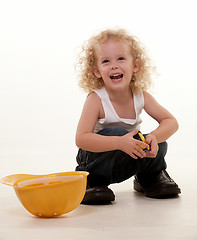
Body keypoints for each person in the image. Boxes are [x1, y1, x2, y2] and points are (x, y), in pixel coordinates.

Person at [75, 28, 181, 204]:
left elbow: (171, 122)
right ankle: (92, 182)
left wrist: (153, 137)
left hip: (127, 156)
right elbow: (81, 138)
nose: (114, 65)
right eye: (106, 61)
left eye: (121, 58)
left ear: (135, 66)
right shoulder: (96, 99)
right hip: (96, 161)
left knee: (158, 142)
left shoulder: (140, 95)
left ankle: (149, 177)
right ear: (97, 71)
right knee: (115, 132)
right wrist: (119, 142)